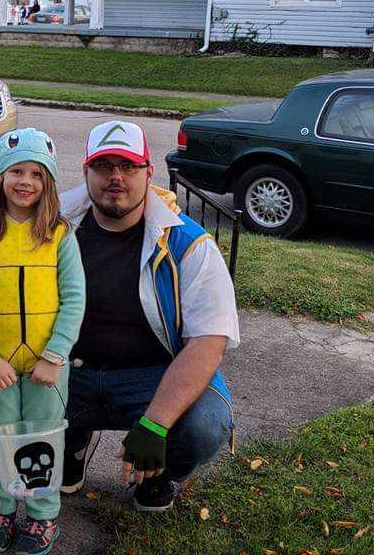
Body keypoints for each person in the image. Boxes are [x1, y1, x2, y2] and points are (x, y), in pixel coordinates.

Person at [58, 120, 238, 512]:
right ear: (85, 171)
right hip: (69, 369)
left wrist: (156, 422)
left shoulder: (189, 244)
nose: (116, 177)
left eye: (128, 166)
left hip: (153, 375)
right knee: (7, 397)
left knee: (205, 427)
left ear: (148, 172)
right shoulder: (56, 228)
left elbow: (209, 342)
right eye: (103, 166)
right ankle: (70, 446)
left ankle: (159, 475)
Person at [0, 128, 86, 555]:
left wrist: (55, 355)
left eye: (35, 173)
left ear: (48, 182)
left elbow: (74, 298)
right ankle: (4, 507)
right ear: (0, 177)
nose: (25, 181)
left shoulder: (60, 236)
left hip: (48, 368)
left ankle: (42, 516)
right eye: (16, 171)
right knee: (1, 436)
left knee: (44, 439)